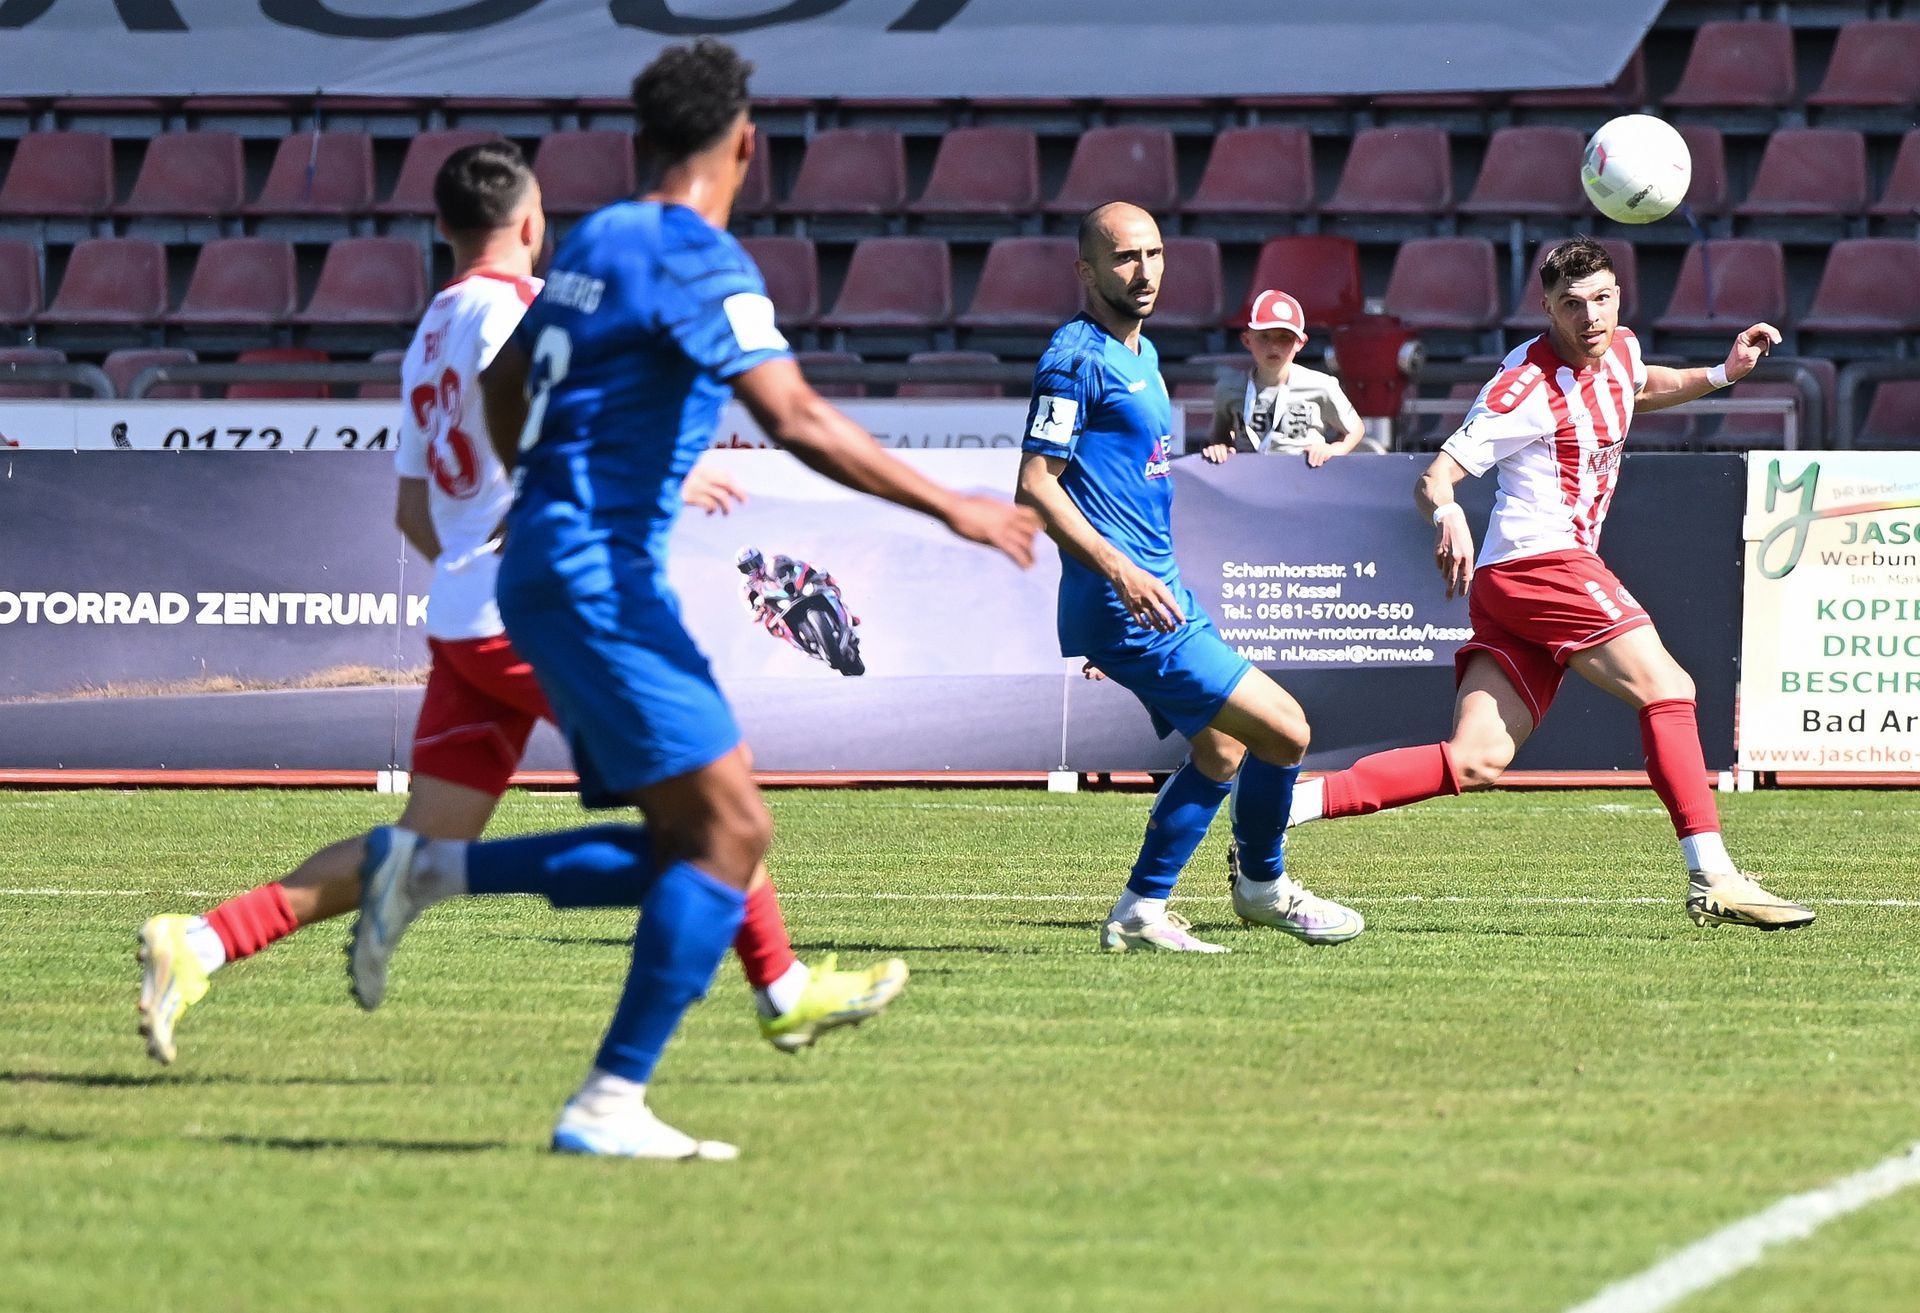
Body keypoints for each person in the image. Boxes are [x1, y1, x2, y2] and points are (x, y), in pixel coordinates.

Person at [342, 39, 1040, 1161]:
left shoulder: (599, 237)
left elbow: (501, 384)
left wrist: (546, 483)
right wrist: (951, 504)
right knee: (732, 830)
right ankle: (607, 1090)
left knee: (701, 836)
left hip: (550, 568)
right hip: (596, 578)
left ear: (643, 139)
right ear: (747, 142)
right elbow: (795, 416)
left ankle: (438, 878)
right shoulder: (700, 258)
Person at [135, 141, 906, 1070]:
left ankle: (204, 939)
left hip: (465, 618)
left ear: (442, 228)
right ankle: (779, 989)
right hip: (531, 613)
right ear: (534, 223)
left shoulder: (429, 331)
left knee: (425, 838)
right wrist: (654, 478)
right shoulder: (525, 309)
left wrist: (479, 570)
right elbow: (565, 425)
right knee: (716, 791)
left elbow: (413, 510)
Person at [1286, 237, 1813, 932]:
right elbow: (1435, 477)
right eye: (1572, 305)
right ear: (1547, 308)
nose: (1590, 317)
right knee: (1669, 688)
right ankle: (1714, 876)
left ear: (1619, 298)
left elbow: (1638, 385)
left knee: (1476, 759)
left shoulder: (1620, 349)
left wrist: (1722, 371)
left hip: (1517, 580)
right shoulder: (1523, 388)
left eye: (1601, 299)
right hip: (1540, 563)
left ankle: (1279, 808)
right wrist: (1447, 513)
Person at [1015, 202, 1364, 955]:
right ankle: (1263, 885)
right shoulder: (1073, 360)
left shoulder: (1141, 352)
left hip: (1153, 594)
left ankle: (1140, 910)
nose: (1144, 272)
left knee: (1222, 749)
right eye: (1124, 257)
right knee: (1286, 729)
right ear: (1086, 270)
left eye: (1154, 254)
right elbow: (1036, 485)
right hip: (1127, 601)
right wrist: (1119, 574)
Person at [1200, 288, 1365, 467]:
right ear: (1247, 340)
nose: (1273, 346)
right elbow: (1219, 437)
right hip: (1248, 480)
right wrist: (1220, 448)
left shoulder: (1322, 385)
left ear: (1300, 342)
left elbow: (1355, 429)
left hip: (1304, 478)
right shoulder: (1228, 388)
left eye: (1284, 338)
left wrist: (1333, 450)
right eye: (1264, 336)